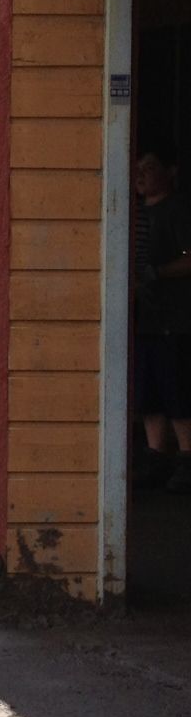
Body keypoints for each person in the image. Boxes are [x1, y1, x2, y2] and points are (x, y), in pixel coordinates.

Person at [134, 146, 191, 493]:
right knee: (148, 392)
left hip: (176, 319)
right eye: (137, 168)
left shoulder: (178, 210)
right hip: (147, 320)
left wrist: (156, 272)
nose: (141, 175)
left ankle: (186, 457)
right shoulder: (136, 213)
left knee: (177, 390)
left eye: (149, 167)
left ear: (170, 171)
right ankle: (156, 457)